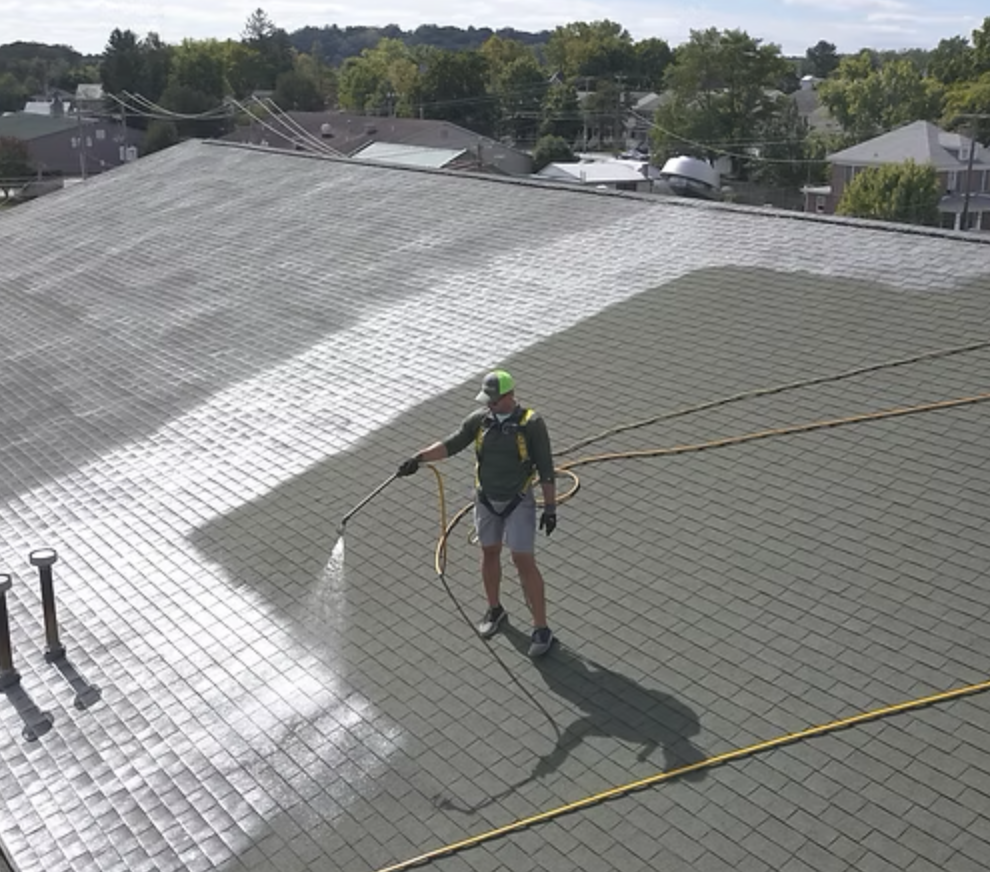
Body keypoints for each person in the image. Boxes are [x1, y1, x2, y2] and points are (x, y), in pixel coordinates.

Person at [397, 369, 557, 657]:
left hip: (518, 501)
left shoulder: (531, 424)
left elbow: (546, 468)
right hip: (486, 501)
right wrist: (417, 459)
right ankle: (495, 610)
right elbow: (452, 443)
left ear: (509, 397)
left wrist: (550, 508)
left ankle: (541, 628)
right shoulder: (479, 421)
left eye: (494, 401)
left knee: (523, 560)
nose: (489, 405)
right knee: (489, 552)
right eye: (487, 401)